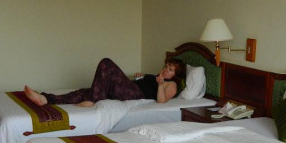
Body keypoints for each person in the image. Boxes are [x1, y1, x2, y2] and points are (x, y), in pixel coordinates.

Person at [23, 57, 186, 107]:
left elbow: (161, 101)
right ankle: (46, 99)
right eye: (166, 66)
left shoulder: (171, 85)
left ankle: (93, 100)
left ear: (176, 75)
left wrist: (160, 84)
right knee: (83, 92)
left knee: (106, 63)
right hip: (131, 87)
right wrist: (142, 76)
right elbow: (146, 82)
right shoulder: (158, 76)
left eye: (170, 69)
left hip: (135, 93)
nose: (166, 70)